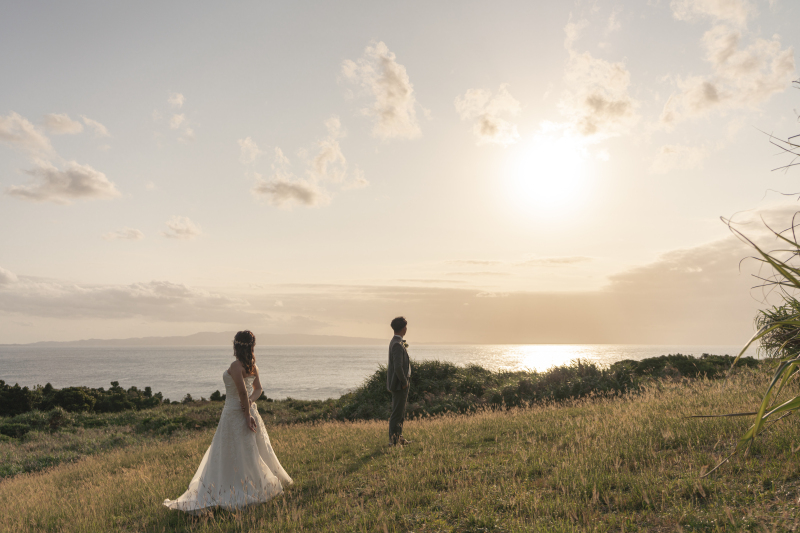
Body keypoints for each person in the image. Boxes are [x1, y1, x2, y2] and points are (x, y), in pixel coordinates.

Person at [163, 330, 293, 514]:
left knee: (233, 452)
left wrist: (247, 414)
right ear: (252, 346)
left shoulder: (235, 366)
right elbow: (258, 390)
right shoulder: (252, 366)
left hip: (234, 414)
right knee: (248, 452)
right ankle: (253, 484)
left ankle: (234, 488)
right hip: (247, 411)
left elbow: (241, 393)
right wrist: (250, 404)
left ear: (236, 345)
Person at [386, 316, 412, 446]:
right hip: (399, 384)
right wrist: (404, 382)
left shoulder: (396, 341)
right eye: (405, 326)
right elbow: (397, 367)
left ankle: (399, 437)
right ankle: (393, 440)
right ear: (403, 328)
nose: (406, 329)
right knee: (397, 412)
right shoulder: (397, 344)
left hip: (400, 383)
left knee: (401, 412)